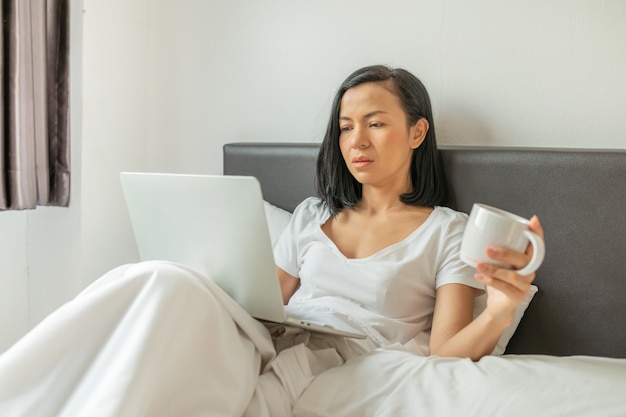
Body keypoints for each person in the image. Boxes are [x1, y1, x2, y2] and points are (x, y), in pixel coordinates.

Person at [0, 65, 544, 417]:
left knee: (163, 292)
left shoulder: (446, 230)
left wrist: (497, 310)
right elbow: (268, 301)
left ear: (417, 132)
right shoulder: (312, 215)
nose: (356, 140)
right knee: (156, 277)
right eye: (346, 125)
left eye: (375, 123)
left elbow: (444, 351)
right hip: (271, 334)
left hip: (344, 352)